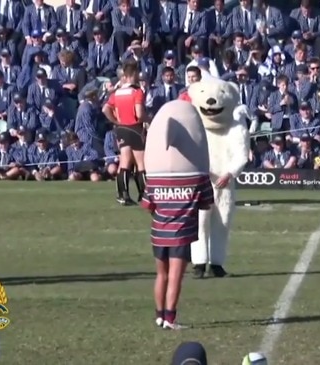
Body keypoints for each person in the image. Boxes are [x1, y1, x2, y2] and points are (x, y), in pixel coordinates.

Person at [141, 100, 213, 330]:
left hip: (159, 232)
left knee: (160, 275)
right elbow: (206, 204)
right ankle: (170, 318)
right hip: (181, 233)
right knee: (175, 276)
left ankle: (159, 315)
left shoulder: (154, 179)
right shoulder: (198, 179)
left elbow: (147, 205)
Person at [102, 61, 148, 205]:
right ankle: (144, 195)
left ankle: (123, 195)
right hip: (135, 127)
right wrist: (149, 118)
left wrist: (115, 121)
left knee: (124, 162)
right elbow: (139, 114)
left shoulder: (117, 92)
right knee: (141, 164)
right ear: (133, 74)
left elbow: (105, 109)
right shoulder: (137, 92)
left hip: (121, 129)